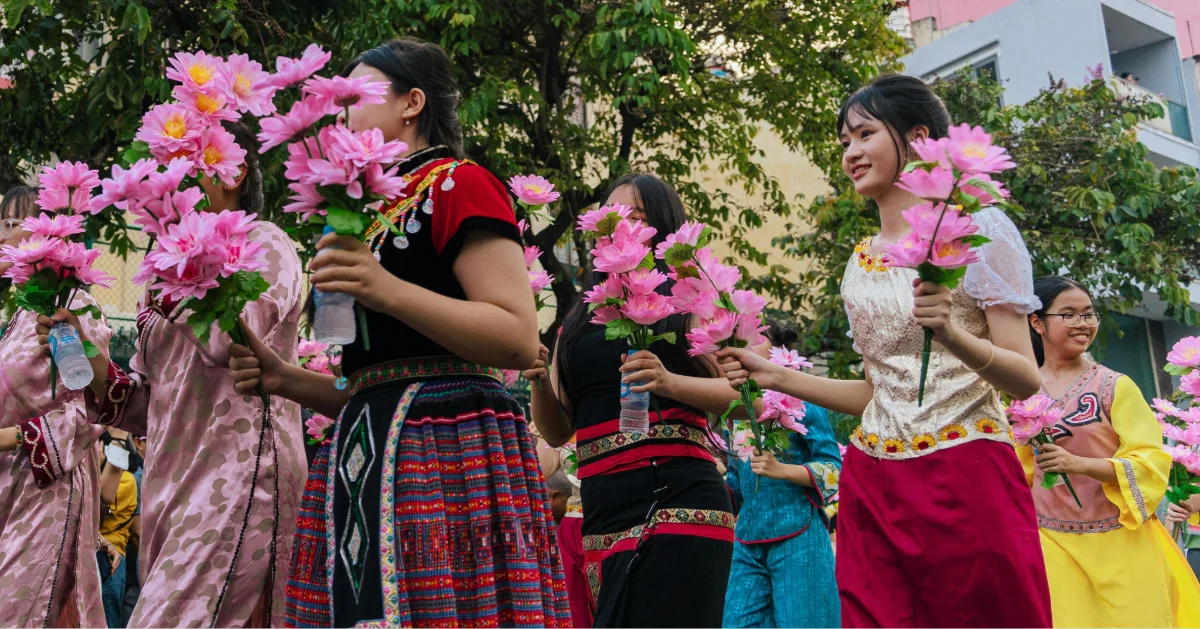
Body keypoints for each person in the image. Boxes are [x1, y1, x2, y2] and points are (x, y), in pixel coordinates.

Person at [226, 37, 570, 627]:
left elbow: (515, 335)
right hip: (365, 444)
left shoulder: (458, 183)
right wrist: (285, 379)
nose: (341, 112)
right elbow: (373, 383)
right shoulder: (352, 210)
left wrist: (386, 290)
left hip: (448, 449)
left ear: (412, 103)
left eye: (357, 95)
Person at [717, 73, 1052, 627]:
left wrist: (953, 336)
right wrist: (773, 376)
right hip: (872, 481)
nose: (850, 153)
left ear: (919, 137)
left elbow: (1025, 378)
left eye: (864, 134)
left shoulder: (978, 228)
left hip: (965, 472)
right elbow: (875, 392)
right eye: (844, 142)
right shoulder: (860, 261)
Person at [37, 122, 307, 626]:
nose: (166, 179)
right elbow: (140, 404)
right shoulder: (162, 269)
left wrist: (172, 283)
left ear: (233, 171)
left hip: (239, 477)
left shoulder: (267, 246)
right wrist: (79, 347)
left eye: (184, 164)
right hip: (170, 487)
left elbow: (230, 340)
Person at [523, 172, 742, 627]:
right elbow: (559, 430)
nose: (619, 225)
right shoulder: (579, 318)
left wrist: (667, 382)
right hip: (604, 513)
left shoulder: (694, 300)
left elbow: (743, 401)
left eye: (635, 216)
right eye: (611, 215)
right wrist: (538, 379)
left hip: (681, 499)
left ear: (659, 227)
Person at [1019, 275, 1200, 626]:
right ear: (1037, 321)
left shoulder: (1115, 386)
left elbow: (1150, 463)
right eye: (1068, 314)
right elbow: (1018, 470)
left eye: (1089, 313)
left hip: (1121, 541)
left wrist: (1080, 464)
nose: (1083, 323)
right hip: (1052, 542)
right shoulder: (1021, 391)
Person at [0, 185, 110, 628]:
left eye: (12, 224)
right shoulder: (23, 312)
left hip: (46, 487)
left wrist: (10, 438)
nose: (3, 236)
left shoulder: (72, 306)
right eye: (1, 224)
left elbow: (90, 408)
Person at [722, 321, 841, 628]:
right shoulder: (735, 412)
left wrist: (782, 470)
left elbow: (835, 471)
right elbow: (736, 485)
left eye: (753, 340)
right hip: (748, 538)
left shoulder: (806, 402)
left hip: (800, 535)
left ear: (779, 351)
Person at [96, 431, 138, 628]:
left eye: (96, 443)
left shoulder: (125, 480)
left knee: (108, 621)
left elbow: (98, 509)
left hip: (111, 559)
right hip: (93, 555)